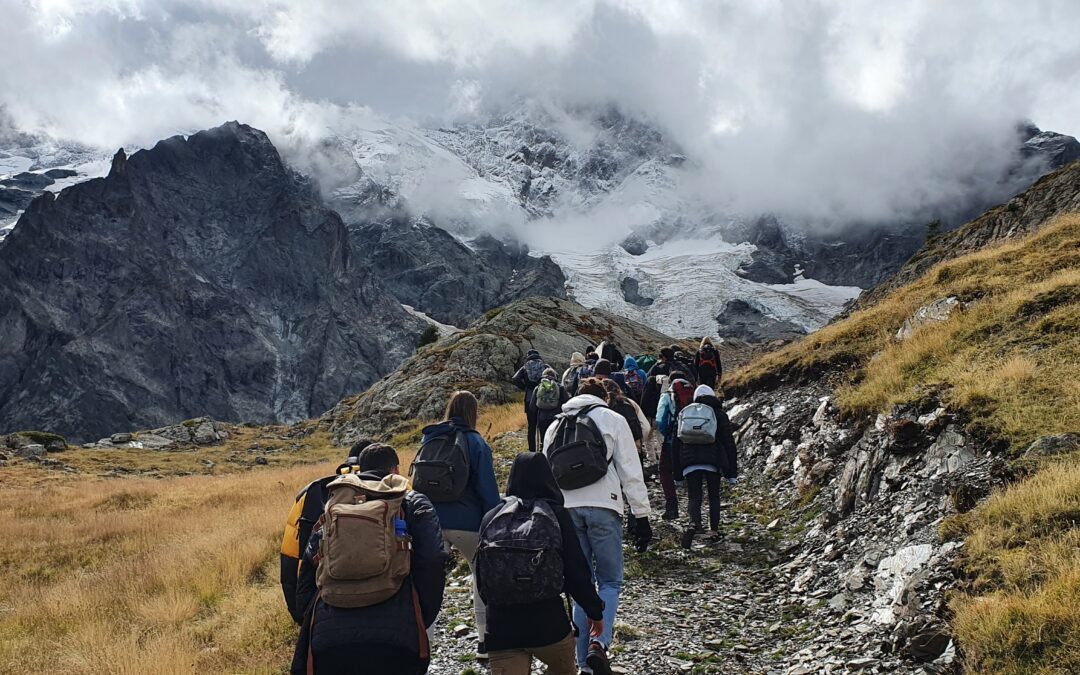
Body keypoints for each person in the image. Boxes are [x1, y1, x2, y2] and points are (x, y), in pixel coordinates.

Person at [291, 444, 446, 675]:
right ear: (395, 470)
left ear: (359, 469)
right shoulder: (412, 502)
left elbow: (307, 567)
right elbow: (433, 560)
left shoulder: (335, 504)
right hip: (396, 638)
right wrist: (421, 615)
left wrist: (311, 617)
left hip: (330, 638)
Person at [542, 377, 652, 674]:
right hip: (605, 504)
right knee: (610, 580)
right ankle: (599, 645)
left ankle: (583, 665)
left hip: (567, 509)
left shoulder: (555, 425)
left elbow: (546, 470)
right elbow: (631, 470)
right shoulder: (612, 418)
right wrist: (641, 515)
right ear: (604, 396)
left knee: (581, 583)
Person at [479, 453, 606, 675]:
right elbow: (575, 570)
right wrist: (594, 610)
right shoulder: (556, 514)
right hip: (548, 626)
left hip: (501, 629)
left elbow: (482, 580)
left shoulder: (491, 516)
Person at [420, 391, 501, 658]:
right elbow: (488, 490)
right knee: (481, 578)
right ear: (473, 413)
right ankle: (483, 642)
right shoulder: (476, 442)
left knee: (429, 583)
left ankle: (426, 645)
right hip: (468, 523)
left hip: (430, 522)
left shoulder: (429, 437)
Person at [280, 438, 373, 624]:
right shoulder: (395, 489)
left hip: (324, 601)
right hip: (384, 597)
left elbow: (290, 559)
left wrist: (301, 614)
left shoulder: (314, 492)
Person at [675, 385, 738, 549]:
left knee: (694, 497)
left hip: (689, 461)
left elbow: (676, 443)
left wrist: (677, 473)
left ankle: (695, 526)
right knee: (713, 496)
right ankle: (713, 530)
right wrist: (732, 472)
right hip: (713, 460)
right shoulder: (719, 414)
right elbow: (729, 443)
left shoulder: (685, 412)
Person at [600, 379, 651, 463]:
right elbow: (646, 427)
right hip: (633, 448)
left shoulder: (602, 406)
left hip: (611, 452)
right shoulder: (629, 402)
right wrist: (638, 442)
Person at [513, 350, 549, 452]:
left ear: (528, 356)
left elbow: (515, 379)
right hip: (543, 398)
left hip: (529, 398)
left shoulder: (525, 367)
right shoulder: (544, 365)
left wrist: (525, 387)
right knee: (543, 424)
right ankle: (544, 448)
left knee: (531, 427)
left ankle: (532, 450)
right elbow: (555, 375)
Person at [531, 367, 570, 452]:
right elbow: (567, 403)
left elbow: (532, 407)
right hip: (556, 417)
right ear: (555, 376)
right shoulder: (560, 387)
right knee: (556, 438)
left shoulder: (538, 388)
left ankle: (543, 457)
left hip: (542, 417)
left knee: (544, 439)